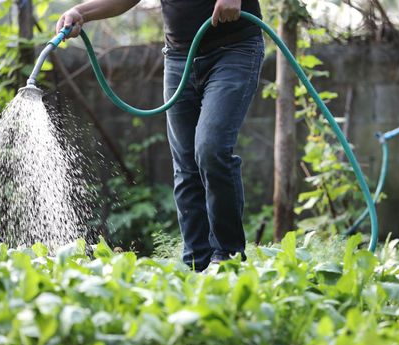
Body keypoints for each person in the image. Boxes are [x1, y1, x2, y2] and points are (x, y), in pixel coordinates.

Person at [56, 0, 264, 272]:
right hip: (179, 58)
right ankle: (195, 265)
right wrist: (80, 12)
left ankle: (227, 259)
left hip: (234, 50)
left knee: (211, 149)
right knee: (186, 165)